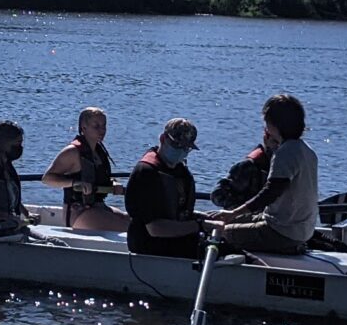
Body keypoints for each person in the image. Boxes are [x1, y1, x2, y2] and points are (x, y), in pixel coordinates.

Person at [216, 93, 319, 256]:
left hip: (282, 232)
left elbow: (270, 193)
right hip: (299, 229)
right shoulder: (307, 151)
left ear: (275, 125)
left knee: (220, 230)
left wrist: (234, 213)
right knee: (217, 219)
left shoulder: (286, 153)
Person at [123, 118, 206, 258]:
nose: (182, 151)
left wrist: (205, 218)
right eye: (177, 145)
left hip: (175, 239)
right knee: (211, 248)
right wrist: (201, 225)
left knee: (227, 242)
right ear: (163, 139)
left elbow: (181, 213)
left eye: (187, 148)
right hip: (149, 244)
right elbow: (155, 228)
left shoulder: (182, 173)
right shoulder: (146, 172)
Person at [42, 107, 126, 231]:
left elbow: (99, 177)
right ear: (83, 127)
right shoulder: (72, 152)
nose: (102, 130)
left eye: (104, 126)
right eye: (96, 126)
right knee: (130, 229)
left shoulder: (99, 151)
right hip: (79, 212)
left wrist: (114, 184)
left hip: (99, 207)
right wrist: (75, 183)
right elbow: (47, 179)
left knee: (135, 221)